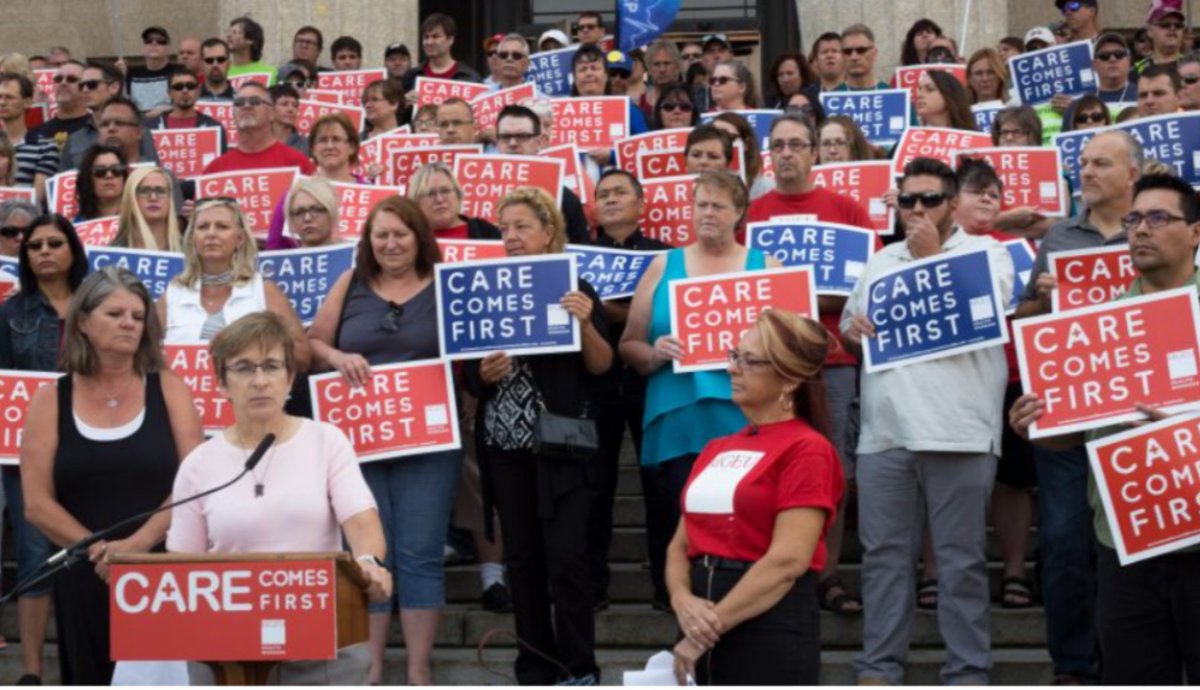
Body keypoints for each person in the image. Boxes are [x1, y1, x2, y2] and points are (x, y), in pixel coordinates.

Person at [1009, 172, 1200, 685]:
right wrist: (1033, 428)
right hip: (1123, 543)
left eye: (1159, 218)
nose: (1140, 229)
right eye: (1135, 218)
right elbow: (1072, 436)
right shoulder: (1095, 325)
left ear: (1196, 232)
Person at [842, 157, 1014, 685]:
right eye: (906, 200)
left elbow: (986, 308)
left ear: (953, 204)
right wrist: (856, 329)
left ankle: (967, 669)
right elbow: (851, 325)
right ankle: (879, 665)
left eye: (929, 200)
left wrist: (930, 257)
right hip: (885, 433)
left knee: (961, 561)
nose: (916, 209)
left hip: (958, 431)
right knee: (883, 559)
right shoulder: (881, 259)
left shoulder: (989, 253)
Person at [168, 311, 389, 685]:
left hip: (322, 638)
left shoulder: (326, 441)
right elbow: (182, 567)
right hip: (228, 649)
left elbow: (362, 521)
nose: (259, 381)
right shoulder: (198, 464)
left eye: (271, 366)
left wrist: (368, 562)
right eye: (243, 368)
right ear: (222, 381)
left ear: (289, 379)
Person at [22, 265, 204, 685]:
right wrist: (101, 552)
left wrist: (137, 546)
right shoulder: (50, 400)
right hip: (87, 576)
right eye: (115, 313)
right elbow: (36, 503)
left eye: (138, 317)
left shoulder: (170, 388)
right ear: (83, 321)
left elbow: (193, 482)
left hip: (163, 574)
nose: (128, 323)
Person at [460, 187, 610, 685]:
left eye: (522, 226)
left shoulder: (576, 285)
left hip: (562, 450)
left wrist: (585, 324)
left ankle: (580, 666)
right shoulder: (485, 286)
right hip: (504, 448)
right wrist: (485, 372)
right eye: (504, 229)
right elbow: (467, 378)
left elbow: (603, 365)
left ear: (549, 231)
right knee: (521, 560)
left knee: (567, 558)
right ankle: (537, 668)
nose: (511, 237)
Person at [306, 197, 457, 684]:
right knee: (369, 554)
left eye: (400, 234)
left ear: (419, 237)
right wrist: (334, 357)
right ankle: (369, 669)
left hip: (430, 443)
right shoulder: (350, 284)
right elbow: (310, 344)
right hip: (359, 444)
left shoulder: (447, 284)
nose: (391, 244)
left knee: (420, 552)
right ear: (368, 242)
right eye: (381, 235)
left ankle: (417, 669)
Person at [1009, 130, 1142, 684]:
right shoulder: (1060, 236)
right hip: (1068, 417)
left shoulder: (1157, 233)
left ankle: (1128, 664)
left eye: (1100, 164)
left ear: (1132, 174)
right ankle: (1074, 668)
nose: (1085, 172)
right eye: (1082, 163)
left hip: (1138, 417)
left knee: (1132, 548)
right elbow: (1022, 318)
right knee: (1064, 544)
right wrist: (1041, 295)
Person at [620, 170, 780, 611]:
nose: (707, 213)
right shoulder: (661, 265)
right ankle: (679, 610)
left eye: (717, 206)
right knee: (675, 523)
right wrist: (654, 353)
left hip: (744, 420)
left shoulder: (766, 267)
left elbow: (792, 347)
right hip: (676, 419)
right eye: (700, 205)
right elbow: (629, 344)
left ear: (739, 214)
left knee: (743, 527)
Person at [666, 309, 844, 685]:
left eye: (749, 360)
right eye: (734, 355)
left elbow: (787, 561)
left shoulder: (808, 448)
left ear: (790, 378)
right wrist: (682, 600)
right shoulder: (716, 447)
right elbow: (680, 545)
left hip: (767, 628)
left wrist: (704, 630)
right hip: (701, 621)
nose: (732, 368)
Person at [404, 162, 510, 615]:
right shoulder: (405, 248)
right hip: (419, 379)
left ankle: (494, 575)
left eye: (447, 190)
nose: (441, 199)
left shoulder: (488, 237)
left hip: (479, 379)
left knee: (480, 477)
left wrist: (475, 384)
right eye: (430, 194)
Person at [0, 213, 88, 685]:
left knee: (89, 546)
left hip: (92, 446)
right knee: (35, 554)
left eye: (55, 243)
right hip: (24, 454)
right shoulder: (10, 315)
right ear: (25, 257)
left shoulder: (97, 307)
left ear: (73, 249)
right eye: (34, 246)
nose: (44, 252)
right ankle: (32, 671)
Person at [952, 159, 1037, 609]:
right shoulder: (938, 247)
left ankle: (1015, 570)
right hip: (957, 379)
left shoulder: (1021, 248)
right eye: (976, 191)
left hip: (1014, 375)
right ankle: (934, 572)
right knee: (945, 477)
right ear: (953, 201)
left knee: (1014, 480)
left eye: (994, 193)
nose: (987, 199)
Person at [587, 170, 670, 610]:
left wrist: (605, 310)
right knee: (594, 487)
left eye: (620, 192)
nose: (611, 200)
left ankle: (665, 586)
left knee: (658, 485)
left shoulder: (664, 257)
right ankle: (593, 587)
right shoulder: (576, 258)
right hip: (595, 386)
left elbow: (663, 315)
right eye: (603, 194)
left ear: (641, 204)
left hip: (650, 383)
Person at [157, 198, 311, 374]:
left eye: (222, 226)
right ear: (192, 238)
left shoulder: (263, 290)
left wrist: (251, 352)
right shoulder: (173, 293)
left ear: (240, 239)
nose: (211, 234)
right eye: (202, 227)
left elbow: (301, 356)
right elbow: (147, 355)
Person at [494, 104, 593, 244]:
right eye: (505, 137)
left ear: (539, 142)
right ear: (496, 142)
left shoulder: (564, 199)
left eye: (522, 136)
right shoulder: (474, 195)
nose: (512, 143)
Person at [202, 83, 315, 175]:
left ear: (271, 113)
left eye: (255, 101)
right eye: (239, 103)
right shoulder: (215, 170)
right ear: (233, 114)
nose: (246, 106)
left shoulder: (298, 163)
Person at [400, 14, 481, 110]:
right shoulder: (411, 76)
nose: (429, 42)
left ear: (450, 40)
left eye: (435, 36)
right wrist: (403, 104)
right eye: (426, 37)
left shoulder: (470, 78)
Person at [1, 73, 57, 204]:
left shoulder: (46, 146)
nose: (2, 102)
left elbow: (36, 200)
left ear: (27, 102)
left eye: (9, 97)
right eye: (0, 97)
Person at [113, 166, 182, 251]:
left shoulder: (189, 249)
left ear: (170, 199)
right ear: (131, 198)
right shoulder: (113, 253)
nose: (153, 197)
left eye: (160, 191)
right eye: (144, 191)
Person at [146, 67, 226, 136]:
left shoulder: (213, 127)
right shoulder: (152, 127)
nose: (185, 91)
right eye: (178, 87)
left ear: (198, 91)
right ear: (169, 93)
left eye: (190, 86)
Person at [267, 177, 341, 250]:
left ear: (331, 212)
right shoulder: (284, 261)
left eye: (316, 209)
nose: (307, 218)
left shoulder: (351, 255)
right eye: (299, 212)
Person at [711, 112, 771, 199]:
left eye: (726, 136)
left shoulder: (766, 188)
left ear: (745, 144)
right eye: (712, 136)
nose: (720, 143)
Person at [33, 61, 91, 149]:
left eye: (71, 79)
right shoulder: (38, 132)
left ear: (86, 87)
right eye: (58, 79)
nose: (63, 83)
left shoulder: (97, 129)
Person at [125, 26, 172, 116]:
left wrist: (168, 110)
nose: (154, 43)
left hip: (167, 123)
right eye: (148, 41)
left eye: (160, 41)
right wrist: (119, 76)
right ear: (142, 48)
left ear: (168, 48)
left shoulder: (179, 72)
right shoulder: (132, 73)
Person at [75, 144, 127, 222]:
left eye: (116, 169)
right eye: (100, 171)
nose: (109, 175)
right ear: (88, 179)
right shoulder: (78, 225)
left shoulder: (141, 216)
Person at [1135, 1, 1186, 74]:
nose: (1172, 28)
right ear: (1150, 31)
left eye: (1178, 25)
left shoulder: (1193, 66)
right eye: (1165, 25)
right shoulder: (1138, 71)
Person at [836, 25, 889, 91]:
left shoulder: (891, 93)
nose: (854, 57)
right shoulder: (830, 98)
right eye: (847, 51)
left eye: (861, 50)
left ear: (874, 53)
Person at [226, 16, 276, 84]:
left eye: (235, 32)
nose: (228, 35)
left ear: (250, 39)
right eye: (229, 32)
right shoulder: (223, 73)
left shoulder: (271, 73)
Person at [640, 39, 683, 116]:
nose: (662, 69)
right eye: (656, 64)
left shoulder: (688, 100)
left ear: (677, 67)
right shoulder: (640, 102)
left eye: (666, 63)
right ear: (649, 69)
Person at [1092, 33, 1138, 103]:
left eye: (1119, 54)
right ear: (1094, 65)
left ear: (1129, 61)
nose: (1112, 59)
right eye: (1104, 55)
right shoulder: (1082, 103)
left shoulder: (1145, 95)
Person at [268, 83, 309, 156]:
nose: (291, 109)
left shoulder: (308, 145)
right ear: (270, 109)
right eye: (284, 104)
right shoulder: (256, 144)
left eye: (295, 105)